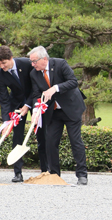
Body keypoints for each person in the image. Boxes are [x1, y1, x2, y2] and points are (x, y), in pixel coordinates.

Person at [28, 46, 88, 185]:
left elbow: (73, 82)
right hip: (53, 112)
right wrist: (36, 111)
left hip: (71, 108)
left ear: (44, 59)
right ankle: (54, 175)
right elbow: (36, 94)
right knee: (50, 142)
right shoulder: (34, 74)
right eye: (31, 61)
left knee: (75, 141)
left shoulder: (60, 64)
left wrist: (55, 88)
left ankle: (82, 175)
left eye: (34, 61)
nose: (32, 64)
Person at [0, 46, 47, 182]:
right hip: (16, 104)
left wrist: (28, 105)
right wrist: (6, 121)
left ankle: (45, 171)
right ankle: (18, 173)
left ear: (11, 58)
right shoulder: (0, 74)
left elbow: (36, 86)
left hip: (35, 100)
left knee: (41, 132)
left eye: (4, 63)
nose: (2, 66)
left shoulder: (26, 63)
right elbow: (4, 98)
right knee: (17, 137)